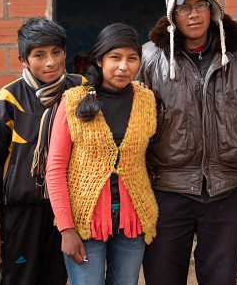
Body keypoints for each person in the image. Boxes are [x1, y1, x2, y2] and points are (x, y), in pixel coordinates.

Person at [137, 0, 237, 285]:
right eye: (184, 7)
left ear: (212, 8)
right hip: (166, 190)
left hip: (226, 190)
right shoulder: (151, 59)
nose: (193, 15)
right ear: (172, 14)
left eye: (200, 4)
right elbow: (134, 126)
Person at [45, 23, 158, 285]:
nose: (123, 66)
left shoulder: (146, 100)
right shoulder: (74, 101)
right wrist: (66, 229)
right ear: (99, 59)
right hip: (85, 222)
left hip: (132, 221)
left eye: (132, 58)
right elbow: (55, 169)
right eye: (115, 57)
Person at [0, 17, 85, 284]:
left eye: (56, 52)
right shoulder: (9, 99)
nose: (50, 62)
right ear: (23, 60)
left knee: (57, 278)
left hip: (67, 212)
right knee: (20, 278)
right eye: (39, 55)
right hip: (21, 212)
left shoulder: (80, 89)